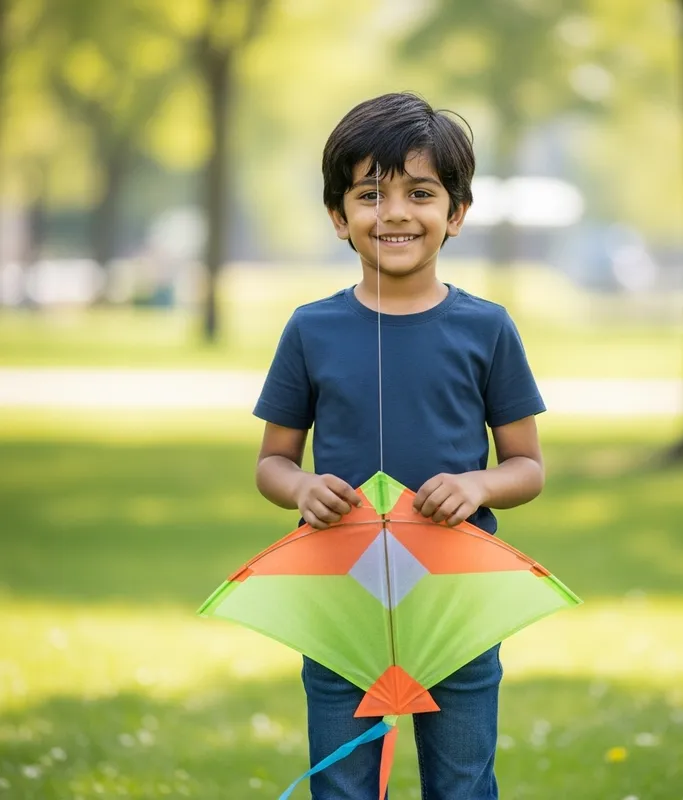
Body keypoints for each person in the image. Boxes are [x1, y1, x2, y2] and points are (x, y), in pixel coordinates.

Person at [253, 92, 546, 799]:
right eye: (369, 193)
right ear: (338, 216)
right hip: (341, 595)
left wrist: (478, 486)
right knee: (346, 785)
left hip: (456, 597)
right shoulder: (310, 330)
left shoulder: (487, 329)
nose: (394, 212)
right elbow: (272, 462)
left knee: (463, 782)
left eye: (420, 193)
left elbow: (527, 466)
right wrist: (300, 488)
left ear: (457, 213)